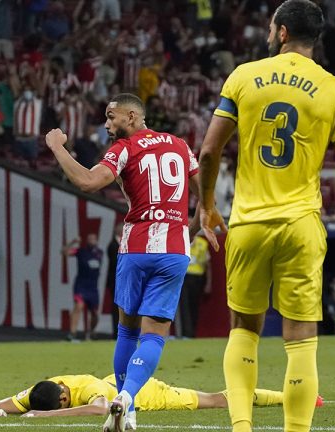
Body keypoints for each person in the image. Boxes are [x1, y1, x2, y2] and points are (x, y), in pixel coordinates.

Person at [196, 2, 335, 431]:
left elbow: (209, 151)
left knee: (243, 328)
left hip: (248, 223)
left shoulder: (243, 76)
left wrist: (206, 206)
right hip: (301, 224)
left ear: (281, 32)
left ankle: (241, 426)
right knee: (301, 339)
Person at [44, 92, 201, 432]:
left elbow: (87, 181)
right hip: (174, 250)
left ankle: (128, 412)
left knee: (127, 330)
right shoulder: (180, 145)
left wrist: (57, 147)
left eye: (111, 117)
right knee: (155, 335)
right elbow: (204, 188)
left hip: (136, 248)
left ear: (131, 118)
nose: (107, 123)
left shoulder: (124, 149)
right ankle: (127, 400)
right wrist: (195, 228)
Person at [0, 374, 292, 418]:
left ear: (63, 395)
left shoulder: (87, 389)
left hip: (144, 392)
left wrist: (46, 416)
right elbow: (2, 404)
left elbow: (101, 409)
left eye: (61, 404)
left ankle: (288, 397)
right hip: (119, 378)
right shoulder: (42, 390)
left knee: (213, 400)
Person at [62, 233, 103, 341]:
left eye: (93, 239)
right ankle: (72, 333)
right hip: (81, 285)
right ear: (87, 241)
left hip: (93, 287)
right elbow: (64, 252)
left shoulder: (99, 253)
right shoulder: (80, 251)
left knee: (94, 313)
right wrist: (73, 242)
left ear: (96, 241)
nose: (91, 240)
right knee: (78, 306)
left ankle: (91, 331)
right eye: (89, 239)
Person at [179, 232, 210, 338]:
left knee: (194, 306)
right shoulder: (180, 240)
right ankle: (185, 334)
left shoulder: (202, 243)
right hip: (183, 277)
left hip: (197, 278)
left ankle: (191, 334)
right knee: (184, 306)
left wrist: (208, 283)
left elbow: (207, 264)